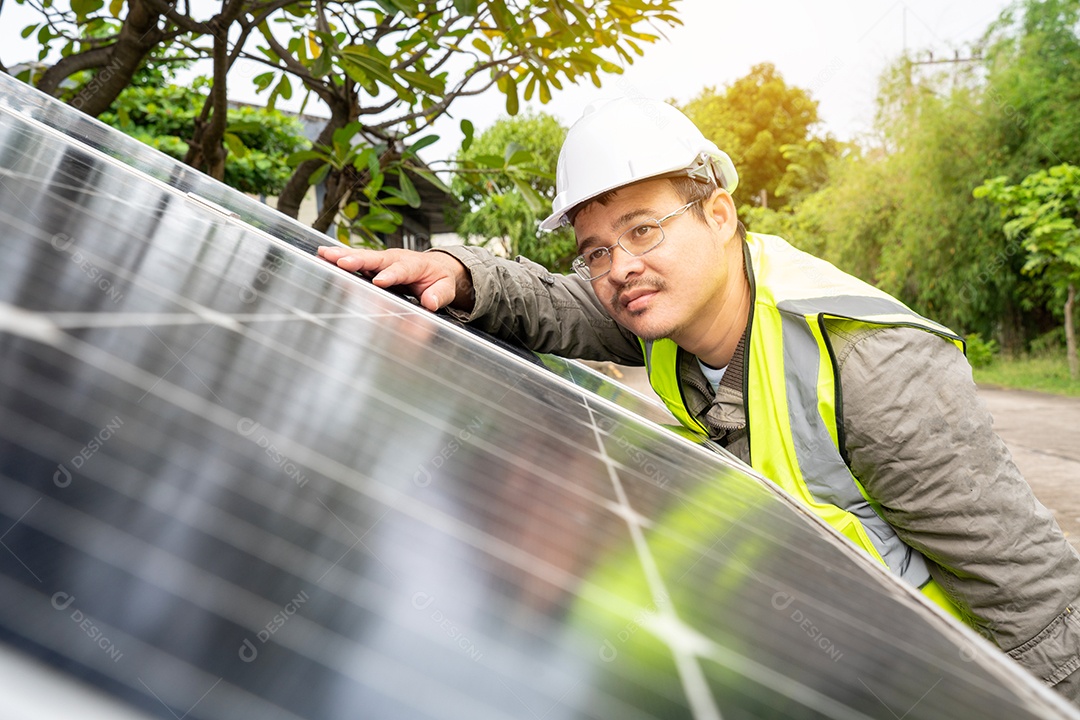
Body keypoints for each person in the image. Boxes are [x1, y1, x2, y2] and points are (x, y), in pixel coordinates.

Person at [318, 97, 1080, 701]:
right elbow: (549, 299)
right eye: (598, 249)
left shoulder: (870, 366)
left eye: (644, 230)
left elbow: (1036, 605)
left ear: (720, 215)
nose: (619, 268)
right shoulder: (664, 319)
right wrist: (456, 268)